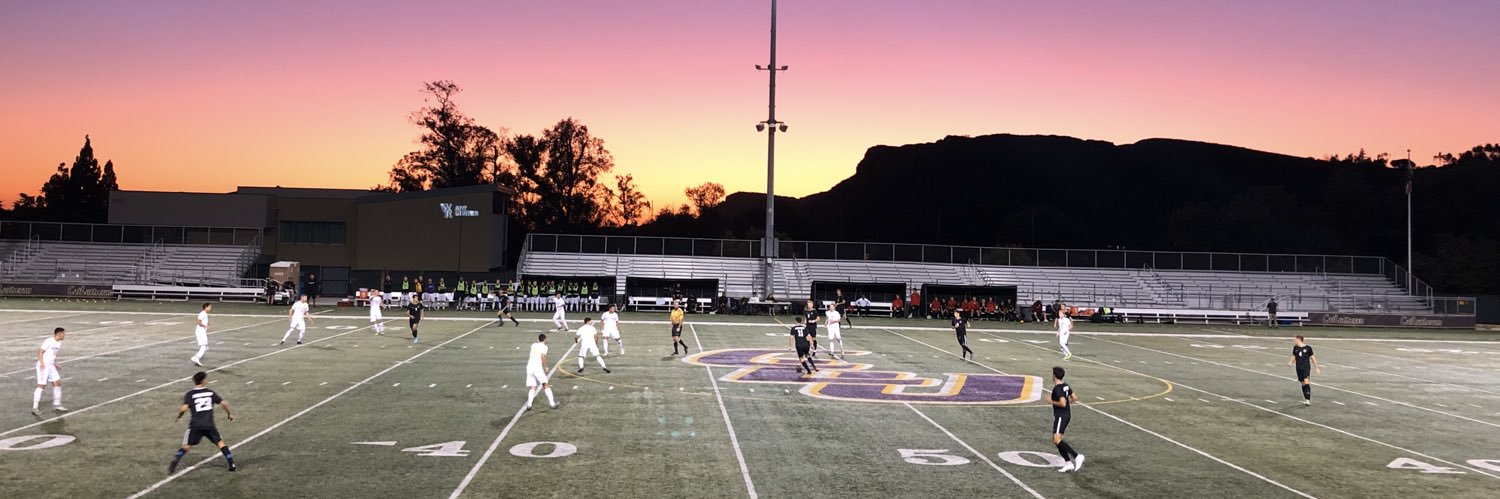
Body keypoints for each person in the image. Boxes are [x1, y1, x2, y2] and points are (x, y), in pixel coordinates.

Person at [169, 371, 237, 474]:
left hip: (195, 425)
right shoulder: (210, 392)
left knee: (186, 446)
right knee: (220, 443)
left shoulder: (190, 394)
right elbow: (224, 403)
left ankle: (176, 460)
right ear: (203, 380)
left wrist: (179, 416)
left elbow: (184, 408)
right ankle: (231, 463)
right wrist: (229, 414)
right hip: (209, 424)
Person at [1049, 366, 1084, 473]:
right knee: (1056, 440)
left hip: (1061, 415)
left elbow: (1063, 403)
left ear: (1054, 375)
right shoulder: (1065, 386)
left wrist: (1051, 402)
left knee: (1057, 439)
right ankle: (1068, 463)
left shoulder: (1057, 389)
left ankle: (1077, 456)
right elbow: (1075, 398)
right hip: (1066, 415)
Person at [32, 327, 68, 416]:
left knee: (57, 383)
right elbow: (40, 352)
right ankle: (35, 407)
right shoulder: (49, 341)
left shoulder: (59, 343)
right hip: (43, 366)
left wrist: (55, 364)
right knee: (41, 386)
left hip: (51, 366)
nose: (64, 335)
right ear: (59, 334)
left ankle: (57, 405)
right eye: (63, 333)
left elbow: (51, 355)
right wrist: (42, 363)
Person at [524, 334, 558, 411]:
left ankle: (529, 404)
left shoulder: (533, 345)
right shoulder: (545, 347)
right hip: (537, 367)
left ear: (538, 339)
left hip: (529, 367)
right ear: (545, 339)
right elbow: (542, 356)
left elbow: (536, 346)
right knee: (545, 384)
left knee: (533, 386)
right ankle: (552, 404)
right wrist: (545, 366)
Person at [1289, 335, 1321, 405]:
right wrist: (1290, 362)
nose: (1294, 341)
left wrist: (1317, 367)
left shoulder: (1308, 348)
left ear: (1299, 340)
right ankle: (1306, 398)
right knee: (1303, 383)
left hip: (1306, 367)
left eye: (1295, 339)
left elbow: (1313, 358)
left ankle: (1308, 400)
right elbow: (1294, 356)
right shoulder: (1295, 348)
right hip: (1298, 368)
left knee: (1306, 382)